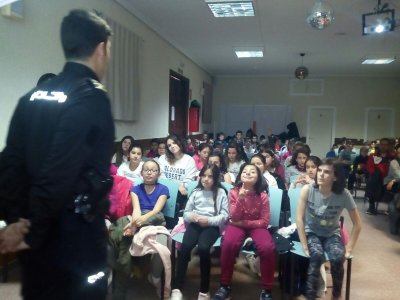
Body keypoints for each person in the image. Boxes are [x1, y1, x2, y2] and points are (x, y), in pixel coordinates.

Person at [0, 10, 114, 299]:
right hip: (74, 238)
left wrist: (17, 222)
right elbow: (60, 169)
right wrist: (34, 229)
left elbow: (10, 162)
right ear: (101, 49)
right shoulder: (92, 96)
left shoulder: (31, 98)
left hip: (33, 235)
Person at [296, 158, 362, 300]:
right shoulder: (308, 190)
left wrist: (349, 248)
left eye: (326, 172)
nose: (320, 174)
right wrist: (304, 244)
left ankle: (336, 296)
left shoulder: (344, 194)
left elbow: (358, 224)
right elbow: (299, 219)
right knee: (316, 256)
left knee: (338, 257)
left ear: (335, 176)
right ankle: (310, 296)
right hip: (311, 233)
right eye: (320, 170)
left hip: (332, 234)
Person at [212, 164, 276, 300]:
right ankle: (225, 285)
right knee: (228, 244)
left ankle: (267, 289)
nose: (248, 173)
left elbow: (264, 221)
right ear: (240, 175)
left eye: (252, 171)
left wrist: (243, 223)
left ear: (258, 177)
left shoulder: (263, 196)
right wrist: (241, 199)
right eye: (245, 171)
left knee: (267, 248)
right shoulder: (234, 192)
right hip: (236, 226)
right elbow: (234, 217)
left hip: (256, 226)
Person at [171, 164, 229, 300]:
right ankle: (177, 288)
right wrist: (193, 217)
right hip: (195, 224)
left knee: (203, 248)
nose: (206, 179)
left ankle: (204, 291)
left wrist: (208, 221)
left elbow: (224, 216)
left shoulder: (221, 193)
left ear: (215, 178)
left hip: (211, 226)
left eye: (210, 176)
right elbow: (186, 213)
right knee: (185, 248)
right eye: (204, 175)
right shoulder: (196, 192)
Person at [158, 134, 197, 217]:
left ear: (180, 143)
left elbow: (189, 179)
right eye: (169, 145)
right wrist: (177, 185)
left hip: (181, 192)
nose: (172, 146)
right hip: (164, 189)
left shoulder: (189, 160)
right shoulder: (163, 158)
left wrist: (180, 186)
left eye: (174, 143)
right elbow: (161, 177)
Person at [365, 138, 395, 214]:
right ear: (379, 145)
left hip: (389, 178)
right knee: (374, 177)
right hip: (376, 178)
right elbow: (369, 167)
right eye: (382, 144)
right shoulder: (373, 156)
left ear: (388, 146)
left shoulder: (392, 156)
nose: (383, 146)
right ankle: (371, 206)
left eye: (386, 145)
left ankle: (391, 208)